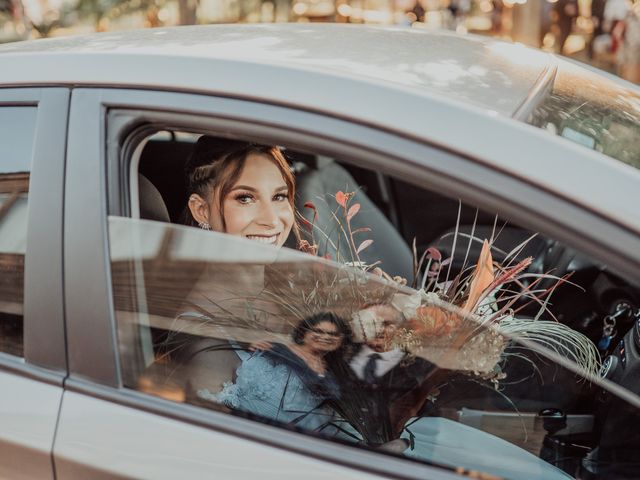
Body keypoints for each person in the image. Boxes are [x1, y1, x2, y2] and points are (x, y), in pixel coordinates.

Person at [206, 312, 352, 433]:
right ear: (304, 333)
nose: (326, 337)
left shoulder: (333, 371)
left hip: (298, 437)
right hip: (252, 427)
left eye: (333, 334)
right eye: (319, 331)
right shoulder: (276, 351)